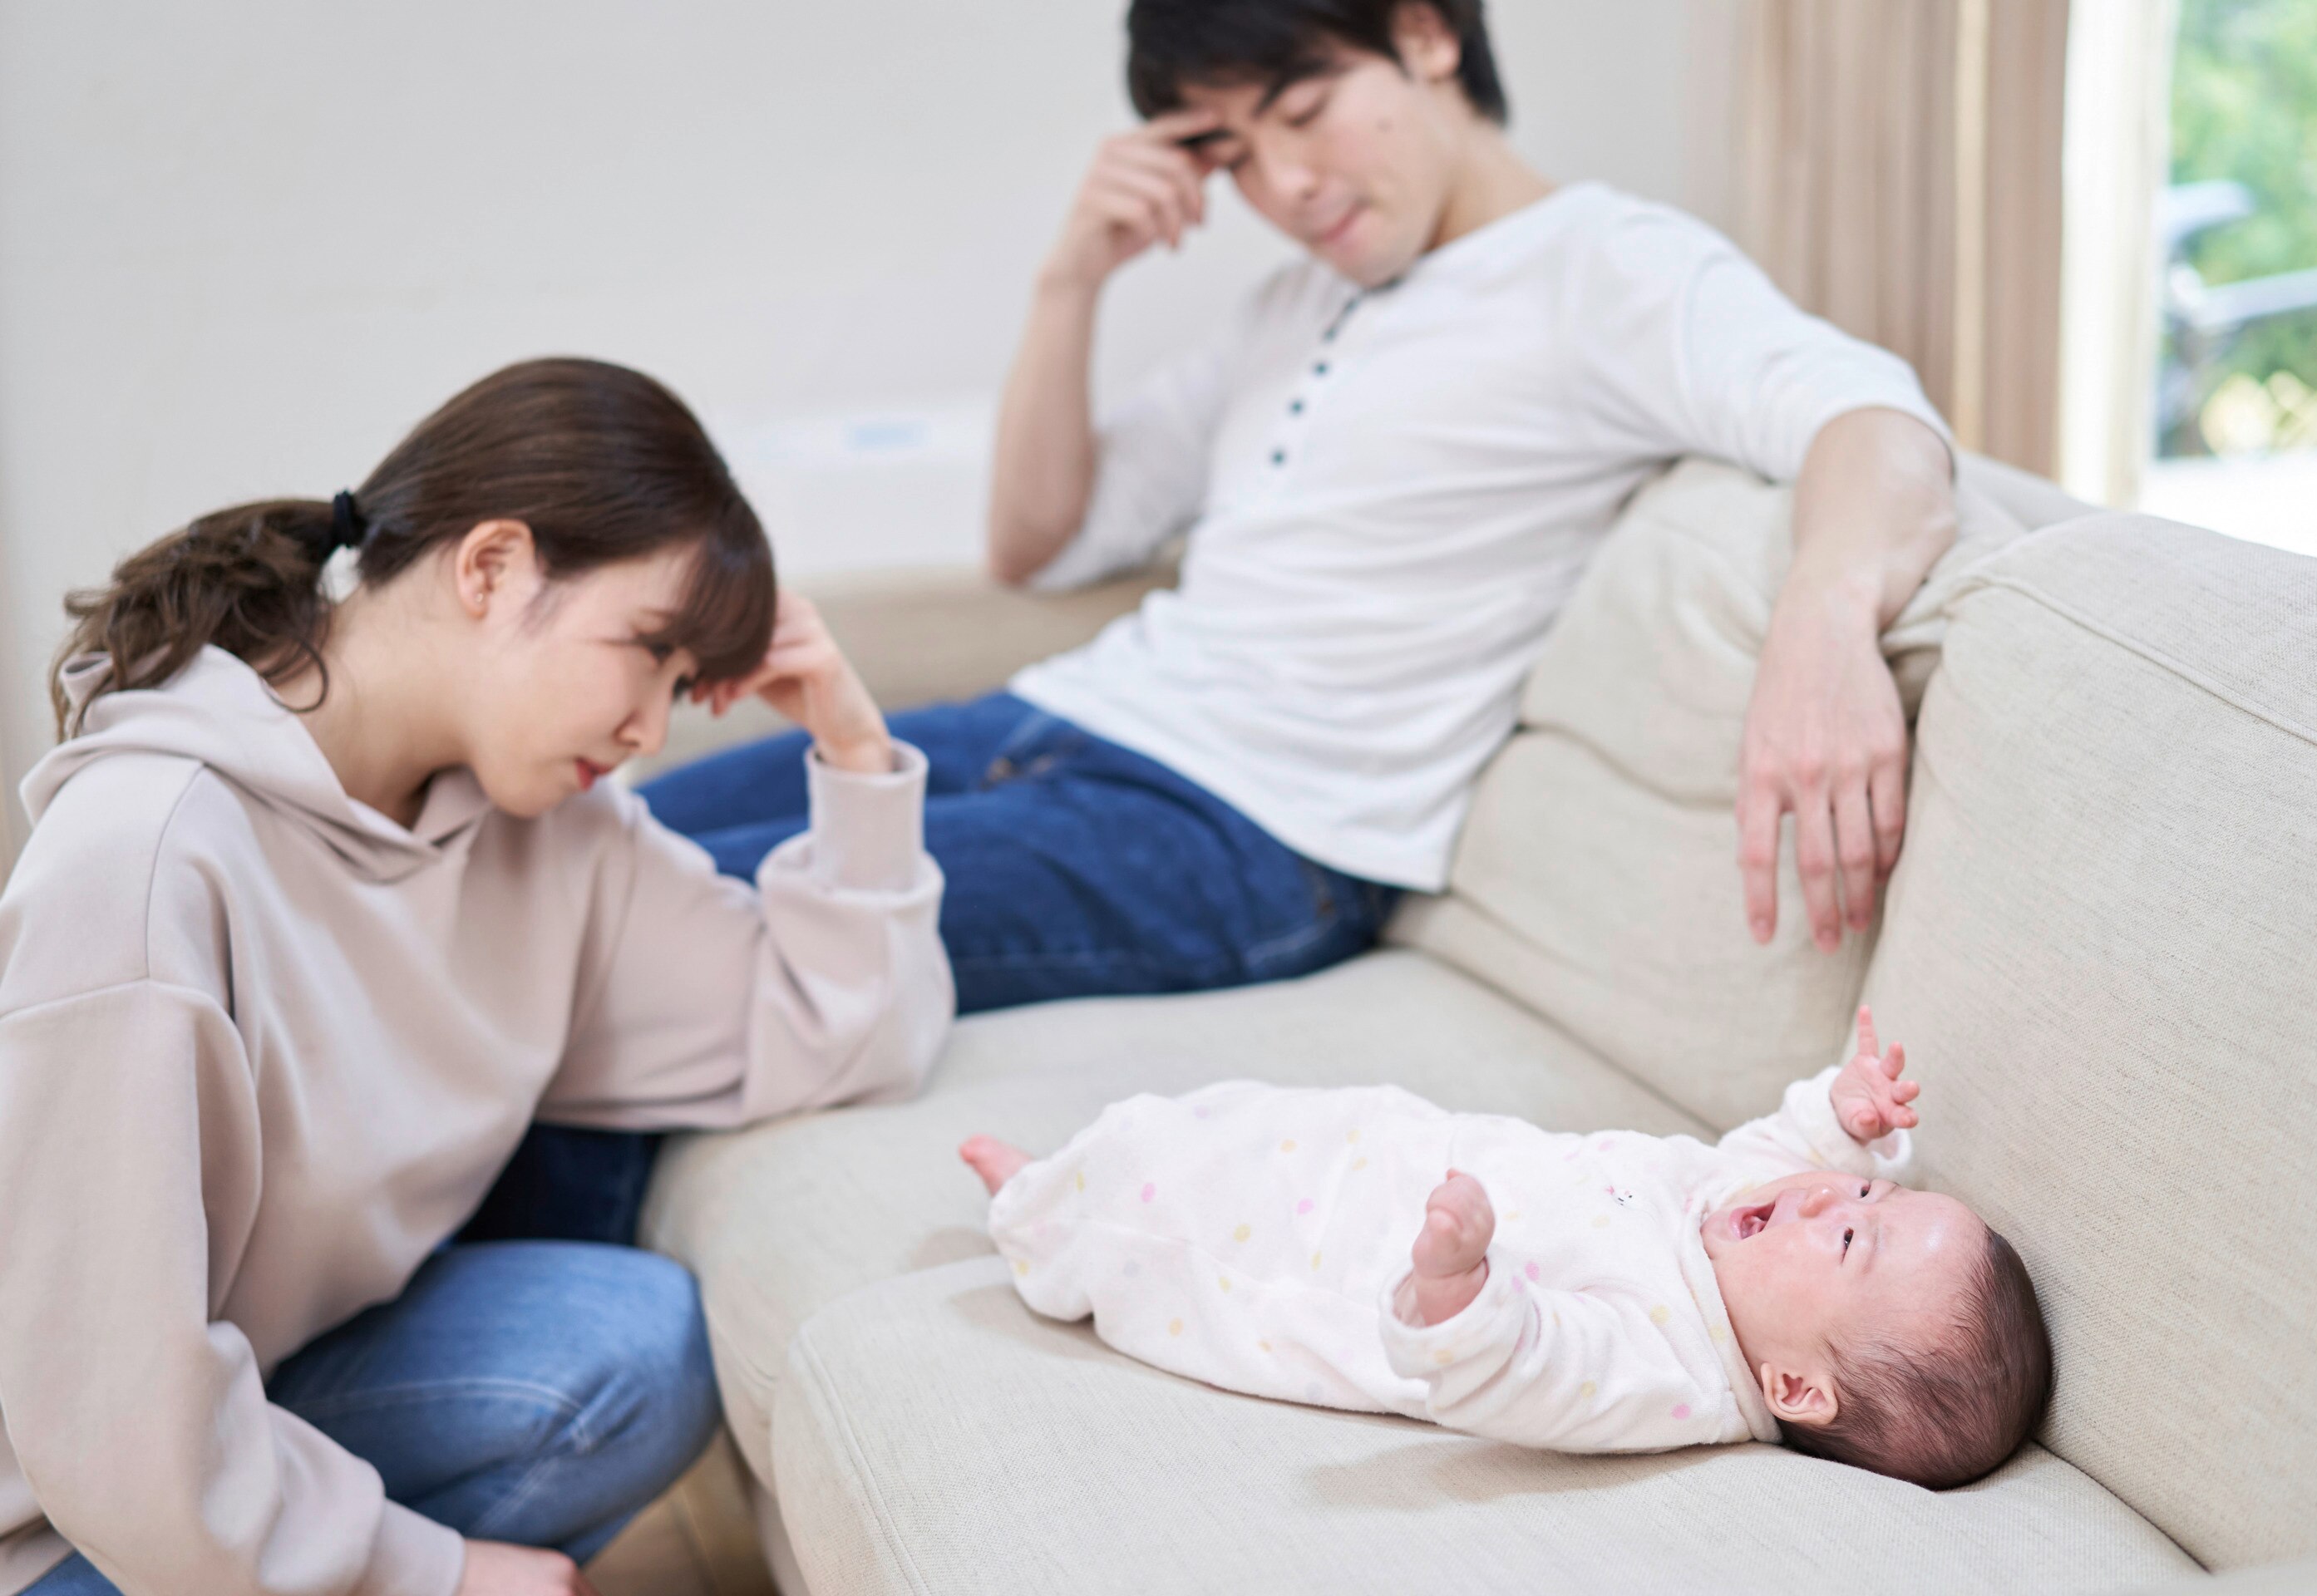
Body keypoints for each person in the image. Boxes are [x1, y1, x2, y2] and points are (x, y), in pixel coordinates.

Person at [643, 0, 1959, 1014]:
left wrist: (1827, 617)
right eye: (1232, 151)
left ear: (1428, 34)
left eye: (1304, 108)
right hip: (1063, 719)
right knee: (600, 848)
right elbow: (1034, 542)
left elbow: (1875, 417)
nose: (1285, 188)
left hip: (1252, 836)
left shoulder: (1605, 268)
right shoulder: (1294, 305)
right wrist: (1071, 282)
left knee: (663, 930)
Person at [0, 359, 953, 1596]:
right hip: (53, 1512)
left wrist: (855, 743)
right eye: (647, 654)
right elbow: (105, 1413)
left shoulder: (557, 837)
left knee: (633, 1351)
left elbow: (847, 1035)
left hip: (244, 1401)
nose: (651, 734)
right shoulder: (144, 855)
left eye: (680, 689)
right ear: (492, 568)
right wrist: (432, 1576)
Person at [961, 1009, 2053, 1490]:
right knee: (1214, 1118)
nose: (1822, 1201)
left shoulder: (1670, 1374)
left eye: (1853, 1233)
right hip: (1379, 1148)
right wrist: (1843, 1120)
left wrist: (1461, 1285)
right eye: (1859, 1189)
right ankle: (1063, 1169)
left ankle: (1036, 1215)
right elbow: (1774, 1158)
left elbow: (1530, 1369)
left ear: (1793, 1385)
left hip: (1331, 1261)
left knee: (1159, 1218)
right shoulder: (1736, 1224)